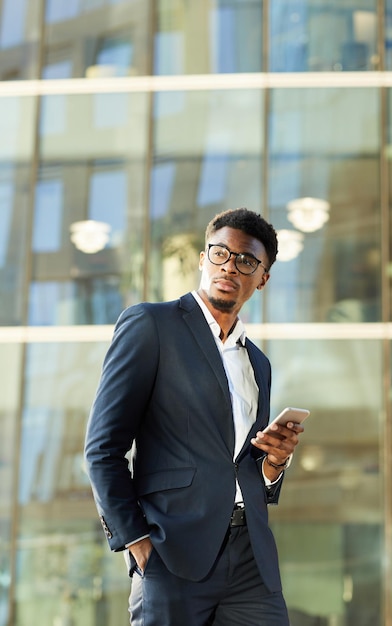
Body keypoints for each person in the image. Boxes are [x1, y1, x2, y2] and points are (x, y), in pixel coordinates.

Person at [84, 207, 304, 625]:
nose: (230, 266)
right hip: (173, 552)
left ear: (263, 278)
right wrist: (137, 542)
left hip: (250, 557)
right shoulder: (152, 325)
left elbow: (241, 467)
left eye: (246, 260)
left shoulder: (258, 364)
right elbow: (102, 449)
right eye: (220, 253)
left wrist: (275, 462)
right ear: (203, 259)